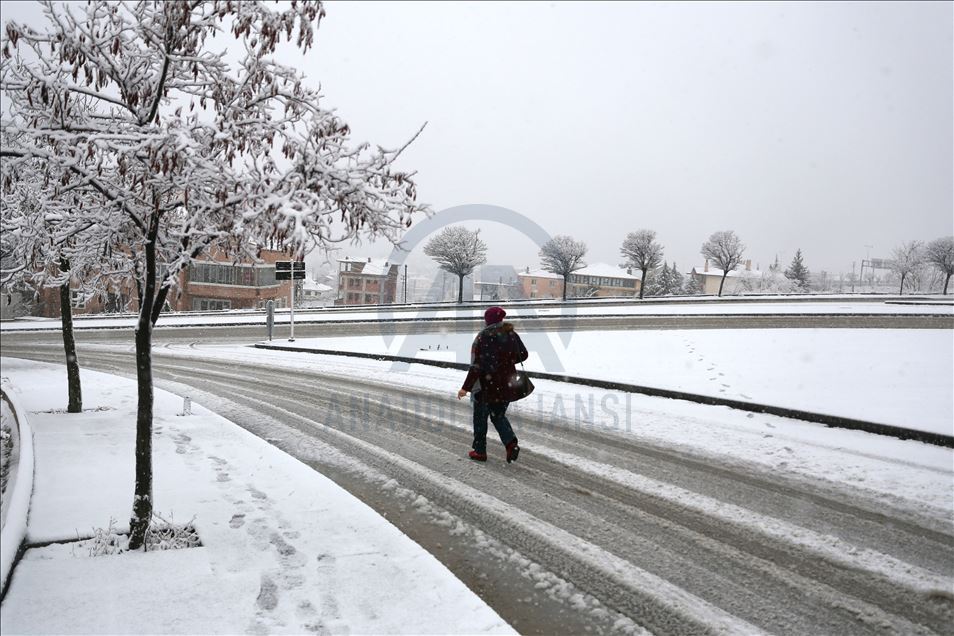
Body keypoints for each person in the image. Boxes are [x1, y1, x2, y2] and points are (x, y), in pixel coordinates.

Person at [457, 306, 528, 463]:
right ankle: (511, 444)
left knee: (480, 419)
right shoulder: (511, 334)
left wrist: (465, 388)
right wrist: (507, 361)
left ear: (488, 320)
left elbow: (477, 366)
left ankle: (480, 451)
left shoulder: (484, 336)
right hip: (507, 384)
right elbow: (524, 354)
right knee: (498, 415)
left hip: (486, 386)